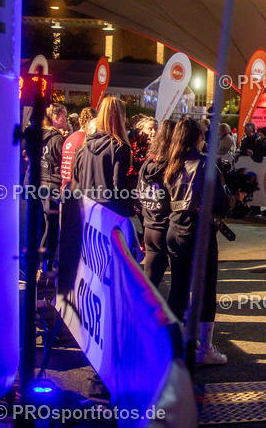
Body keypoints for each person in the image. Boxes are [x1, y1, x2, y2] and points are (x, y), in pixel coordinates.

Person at [164, 118, 240, 365]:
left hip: (175, 229)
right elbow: (218, 203)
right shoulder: (205, 163)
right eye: (203, 134)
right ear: (197, 137)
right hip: (199, 233)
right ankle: (205, 349)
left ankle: (175, 345)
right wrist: (235, 197)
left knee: (178, 289)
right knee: (205, 290)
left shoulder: (172, 162)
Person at [72, 97, 135, 217]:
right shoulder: (120, 146)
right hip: (110, 211)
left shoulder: (86, 145)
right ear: (121, 117)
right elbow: (119, 184)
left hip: (88, 207)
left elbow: (77, 178)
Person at [137, 119, 175, 287]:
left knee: (150, 281)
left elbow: (139, 191)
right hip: (164, 226)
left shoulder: (147, 163)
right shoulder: (171, 167)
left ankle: (142, 308)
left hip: (149, 225)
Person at [35, 103, 68, 274]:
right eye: (64, 116)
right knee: (52, 226)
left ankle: (42, 264)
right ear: (56, 118)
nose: (67, 119)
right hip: (52, 185)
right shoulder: (57, 139)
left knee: (45, 225)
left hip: (41, 183)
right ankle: (46, 266)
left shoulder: (41, 134)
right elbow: (61, 163)